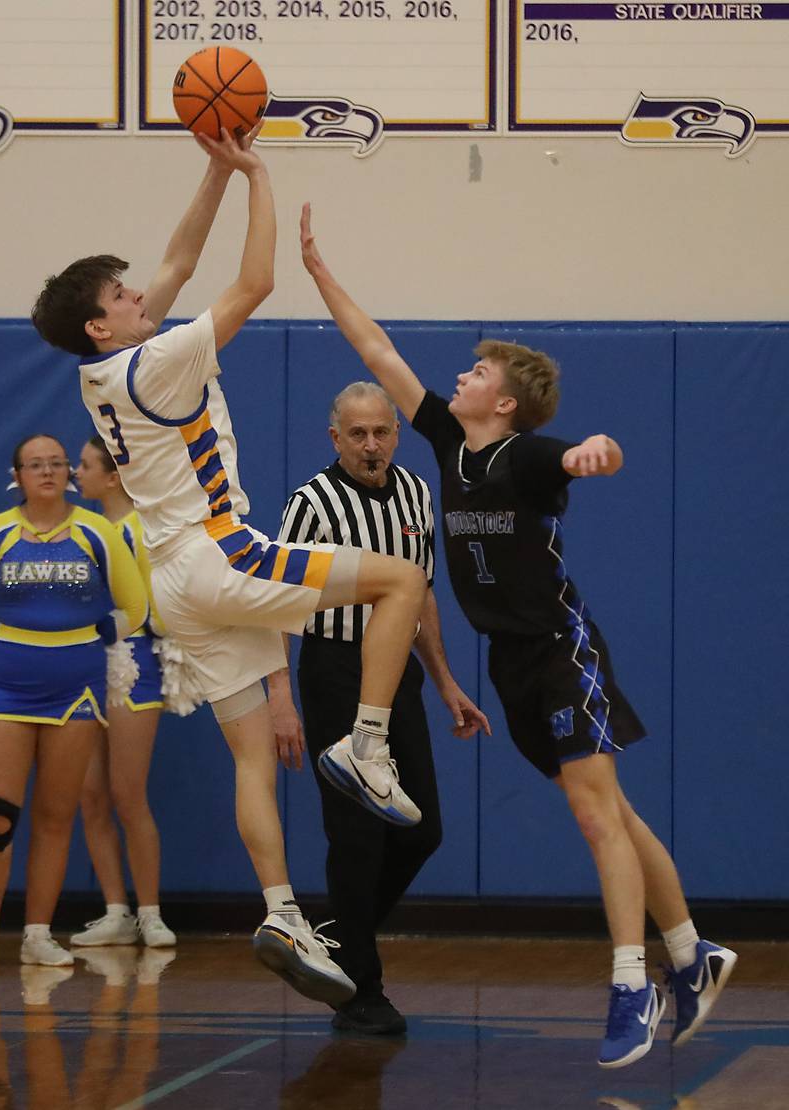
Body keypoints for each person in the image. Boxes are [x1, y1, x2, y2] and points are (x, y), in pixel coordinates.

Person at [296, 203, 738, 1067]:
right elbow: (377, 350)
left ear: (503, 400)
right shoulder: (445, 444)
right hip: (508, 665)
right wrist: (319, 275)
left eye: (475, 370)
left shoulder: (527, 457)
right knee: (614, 810)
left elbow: (587, 451)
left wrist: (594, 454)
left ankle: (629, 984)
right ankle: (692, 953)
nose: (458, 377)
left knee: (595, 816)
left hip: (560, 652)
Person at [30, 128, 428, 1007]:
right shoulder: (160, 362)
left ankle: (283, 912)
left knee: (252, 753)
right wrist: (256, 174)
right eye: (124, 293)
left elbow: (175, 255)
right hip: (220, 552)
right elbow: (254, 283)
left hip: (178, 587)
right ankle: (367, 744)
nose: (143, 291)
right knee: (403, 578)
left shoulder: (105, 371)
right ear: (103, 322)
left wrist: (212, 164)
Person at [268, 381, 489, 1034]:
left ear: (397, 432)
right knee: (357, 836)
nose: (371, 444)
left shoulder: (418, 492)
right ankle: (360, 991)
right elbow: (273, 604)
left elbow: (420, 597)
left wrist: (445, 681)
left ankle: (334, 940)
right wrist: (280, 696)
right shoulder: (311, 502)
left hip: (397, 683)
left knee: (421, 829)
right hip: (335, 675)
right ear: (335, 437)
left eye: (381, 431)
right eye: (357, 433)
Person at [0, 434, 147, 968]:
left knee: (57, 814)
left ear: (70, 474)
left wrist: (109, 627)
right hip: (5, 689)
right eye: (36, 465)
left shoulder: (97, 532)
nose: (49, 472)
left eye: (57, 463)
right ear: (18, 475)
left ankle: (37, 935)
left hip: (76, 690)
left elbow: (137, 607)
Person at [71, 435, 175, 951]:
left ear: (113, 477)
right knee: (89, 793)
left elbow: (157, 611)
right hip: (83, 668)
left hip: (133, 664)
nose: (75, 472)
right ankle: (116, 910)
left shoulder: (141, 531)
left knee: (127, 793)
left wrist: (111, 625)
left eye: (85, 465)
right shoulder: (81, 532)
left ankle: (151, 913)